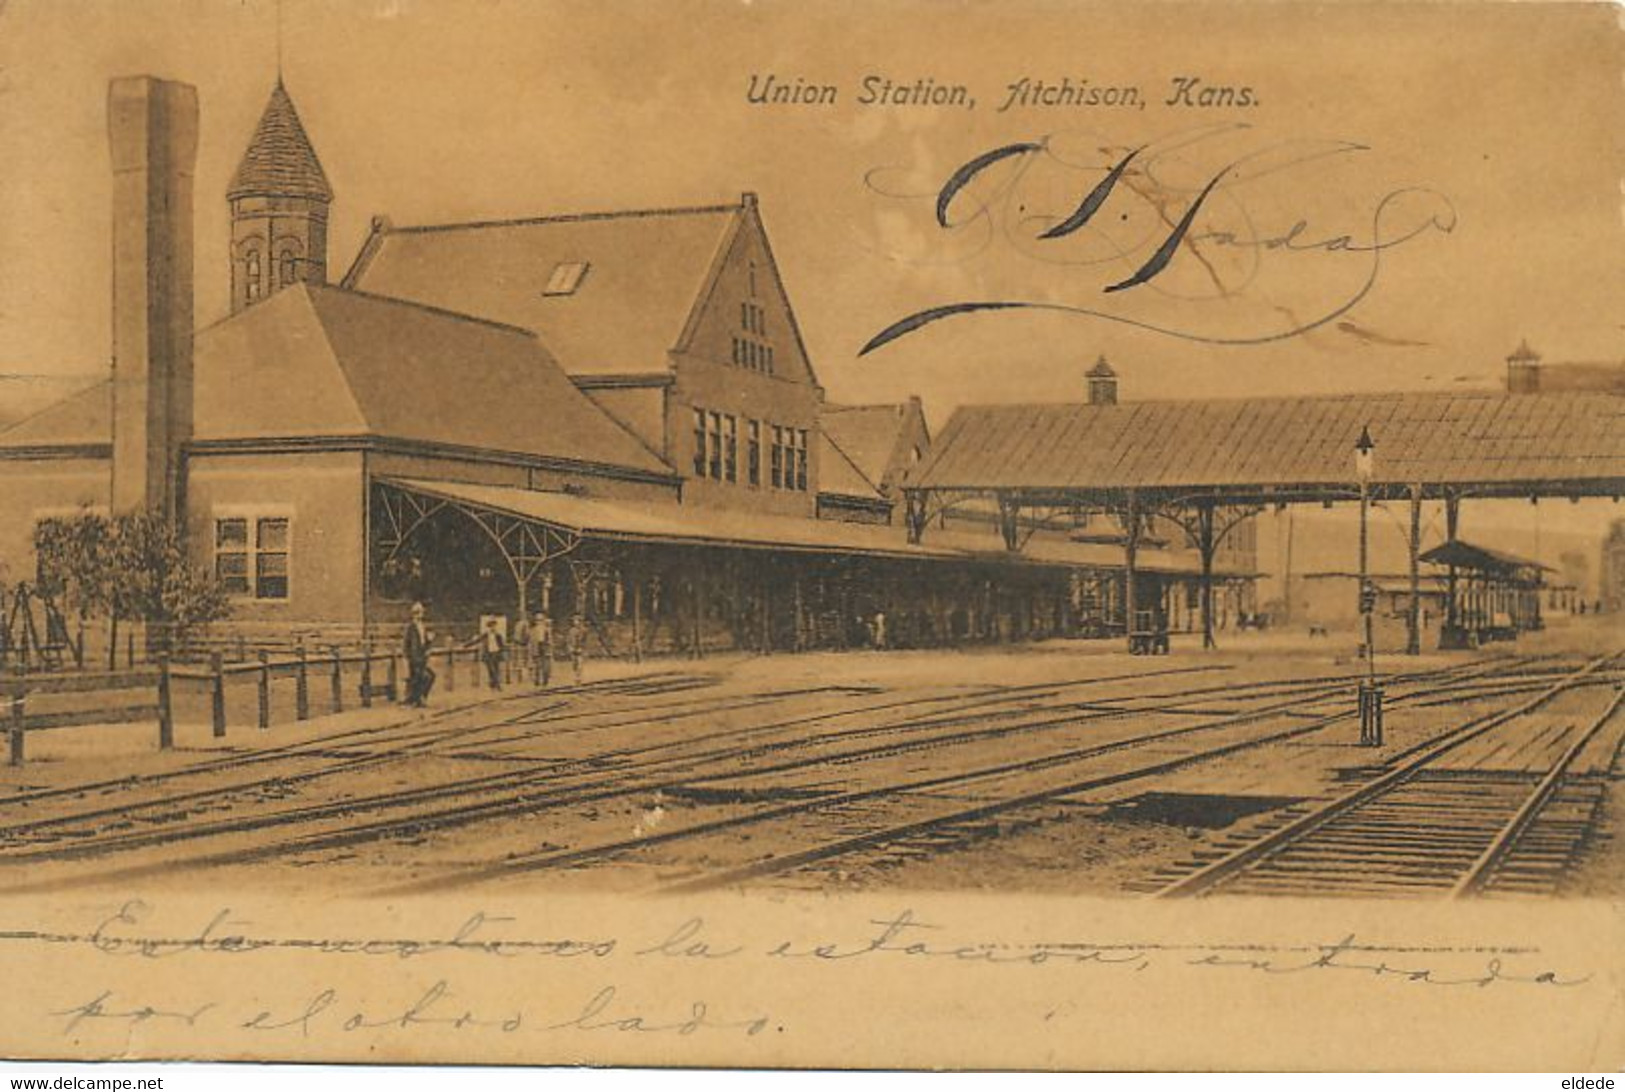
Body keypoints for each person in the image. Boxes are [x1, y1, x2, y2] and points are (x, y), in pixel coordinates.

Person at [402, 602, 436, 707]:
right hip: (414, 658)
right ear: (413, 614)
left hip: (422, 658)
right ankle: (415, 699)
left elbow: (424, 643)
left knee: (429, 676)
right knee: (420, 678)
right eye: (417, 613)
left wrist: (429, 641)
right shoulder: (410, 627)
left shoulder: (422, 626)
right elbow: (405, 644)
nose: (419, 615)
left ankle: (420, 698)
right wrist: (406, 658)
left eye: (421, 613)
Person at [471, 616, 506, 690]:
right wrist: (465, 645)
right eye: (490, 626)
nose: (492, 627)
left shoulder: (498, 635)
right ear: (488, 627)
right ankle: (495, 685)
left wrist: (502, 651)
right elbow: (477, 640)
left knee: (496, 669)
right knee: (491, 670)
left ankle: (495, 685)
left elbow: (502, 645)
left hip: (496, 653)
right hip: (488, 654)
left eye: (493, 625)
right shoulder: (485, 635)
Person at [531, 611, 554, 687]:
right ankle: (536, 681)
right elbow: (531, 641)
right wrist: (532, 651)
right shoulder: (533, 630)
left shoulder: (547, 629)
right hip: (537, 647)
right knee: (537, 665)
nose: (539, 622)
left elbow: (550, 641)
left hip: (545, 646)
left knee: (546, 666)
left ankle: (545, 681)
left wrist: (550, 650)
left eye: (541, 620)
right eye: (538, 620)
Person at [568, 611, 587, 686]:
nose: (576, 622)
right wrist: (570, 647)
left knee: (580, 664)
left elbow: (584, 640)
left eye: (578, 620)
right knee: (574, 664)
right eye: (575, 620)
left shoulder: (583, 630)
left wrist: (582, 648)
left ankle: (578, 678)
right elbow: (569, 640)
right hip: (573, 649)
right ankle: (575, 676)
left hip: (580, 649)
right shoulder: (571, 630)